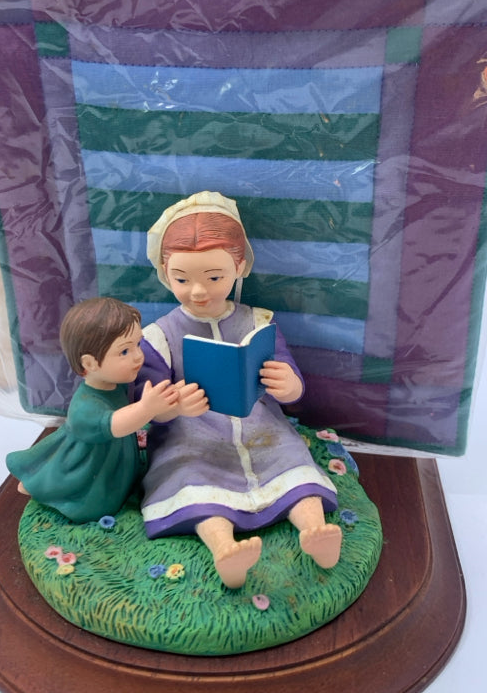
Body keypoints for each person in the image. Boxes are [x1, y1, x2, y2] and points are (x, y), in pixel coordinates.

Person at [136, 191, 342, 588]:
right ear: (165, 272)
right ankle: (224, 549)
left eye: (214, 278)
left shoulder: (257, 321)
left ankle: (314, 531)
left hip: (260, 427)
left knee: (290, 460)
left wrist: (288, 385)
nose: (199, 291)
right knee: (192, 476)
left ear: (240, 266)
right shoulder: (159, 335)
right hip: (192, 436)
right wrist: (172, 406)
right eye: (182, 279)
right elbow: (146, 402)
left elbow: (292, 381)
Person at [7, 297, 178, 523]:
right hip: (90, 466)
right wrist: (146, 408)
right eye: (124, 351)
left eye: (138, 344)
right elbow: (115, 425)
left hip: (117, 456)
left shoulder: (118, 383)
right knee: (93, 502)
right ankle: (38, 485)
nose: (138, 356)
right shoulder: (85, 406)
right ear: (89, 364)